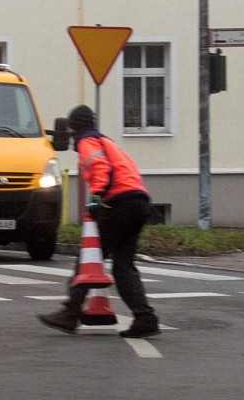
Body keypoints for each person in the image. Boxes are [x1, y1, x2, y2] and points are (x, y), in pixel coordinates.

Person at [38, 105, 160, 338]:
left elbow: (100, 167)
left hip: (119, 204)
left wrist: (97, 198)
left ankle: (70, 314)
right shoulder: (107, 141)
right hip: (137, 202)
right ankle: (145, 318)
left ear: (74, 128)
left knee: (87, 262)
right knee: (123, 266)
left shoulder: (87, 142)